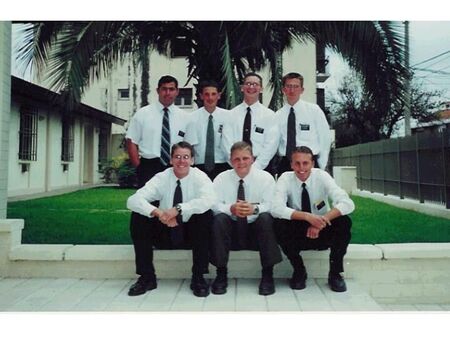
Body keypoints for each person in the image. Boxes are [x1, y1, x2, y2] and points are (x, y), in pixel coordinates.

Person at [127, 142, 214, 297]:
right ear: (171, 160)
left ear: (192, 160)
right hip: (165, 230)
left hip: (190, 233)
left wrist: (179, 209)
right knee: (138, 217)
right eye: (177, 157)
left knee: (204, 216)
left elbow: (208, 200)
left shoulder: (200, 177)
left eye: (186, 157)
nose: (181, 161)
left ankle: (198, 277)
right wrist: (158, 213)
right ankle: (147, 277)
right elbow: (133, 200)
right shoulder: (162, 177)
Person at [271, 146, 354, 292]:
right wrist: (307, 217)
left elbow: (347, 203)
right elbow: (276, 208)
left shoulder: (322, 176)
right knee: (278, 224)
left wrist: (321, 221)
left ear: (312, 164)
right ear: (291, 164)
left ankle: (335, 273)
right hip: (299, 232)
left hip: (322, 229)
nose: (301, 168)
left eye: (305, 163)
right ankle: (299, 270)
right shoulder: (285, 178)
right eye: (297, 163)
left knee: (344, 222)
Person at [210, 141, 282, 296]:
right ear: (230, 161)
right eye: (236, 159)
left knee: (265, 218)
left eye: (245, 158)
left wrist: (255, 208)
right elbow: (213, 204)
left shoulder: (265, 178)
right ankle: (221, 273)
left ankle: (268, 275)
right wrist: (230, 208)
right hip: (232, 229)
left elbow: (273, 205)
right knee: (219, 219)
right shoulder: (221, 178)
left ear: (252, 159)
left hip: (255, 230)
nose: (241, 163)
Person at [126, 75, 190, 188]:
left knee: (173, 202)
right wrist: (139, 167)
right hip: (148, 166)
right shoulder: (143, 114)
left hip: (175, 165)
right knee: (149, 204)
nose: (167, 93)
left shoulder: (185, 117)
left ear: (177, 91)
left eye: (171, 89)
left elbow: (189, 146)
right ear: (157, 91)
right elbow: (131, 141)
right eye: (164, 89)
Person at [275, 72, 332, 175]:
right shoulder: (277, 115)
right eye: (288, 86)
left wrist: (321, 165)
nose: (292, 90)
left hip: (309, 163)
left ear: (302, 90)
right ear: (283, 89)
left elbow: (325, 138)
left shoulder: (314, 110)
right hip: (286, 164)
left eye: (296, 86)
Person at [222, 72, 279, 173]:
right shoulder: (231, 115)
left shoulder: (270, 116)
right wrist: (236, 164)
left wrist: (256, 167)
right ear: (242, 88)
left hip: (262, 167)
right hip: (235, 166)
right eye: (248, 84)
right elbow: (226, 143)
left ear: (261, 89)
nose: (251, 87)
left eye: (255, 84)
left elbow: (271, 145)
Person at [185, 80, 231, 180]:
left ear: (219, 95)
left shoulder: (228, 117)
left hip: (223, 165)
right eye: (206, 94)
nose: (210, 98)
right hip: (200, 167)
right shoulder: (192, 118)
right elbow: (189, 146)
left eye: (213, 94)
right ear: (201, 96)